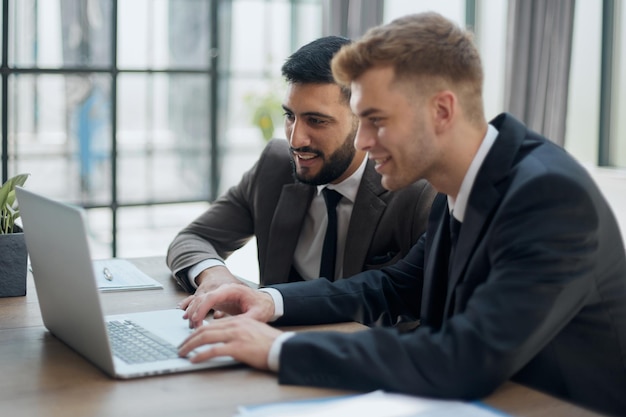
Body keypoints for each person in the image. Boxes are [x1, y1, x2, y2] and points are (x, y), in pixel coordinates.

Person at [177, 13, 626, 416]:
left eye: (376, 120)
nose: (364, 140)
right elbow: (393, 286)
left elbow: (466, 357)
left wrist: (283, 350)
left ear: (442, 111)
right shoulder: (469, 183)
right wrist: (271, 301)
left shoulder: (547, 196)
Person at [166, 36, 435, 300]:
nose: (295, 140)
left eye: (316, 121)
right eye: (290, 116)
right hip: (269, 338)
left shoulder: (414, 189)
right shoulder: (275, 166)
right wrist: (214, 275)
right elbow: (193, 238)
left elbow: (426, 306)